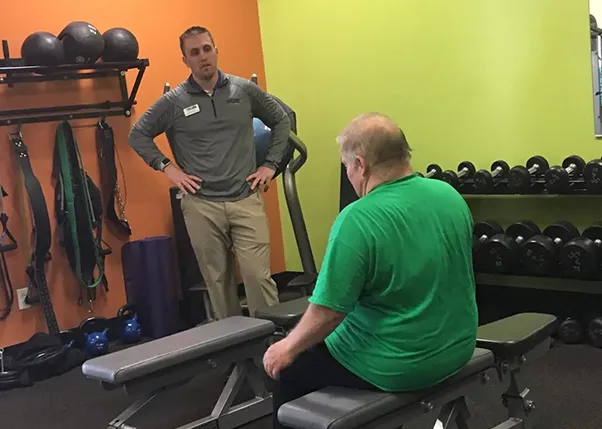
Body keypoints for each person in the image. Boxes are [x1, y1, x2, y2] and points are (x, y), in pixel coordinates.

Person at [263, 113, 479, 429]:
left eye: (347, 166)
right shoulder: (450, 196)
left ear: (361, 165)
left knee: (288, 368)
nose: (349, 175)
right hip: (457, 347)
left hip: (399, 366)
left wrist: (285, 348)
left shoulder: (357, 219)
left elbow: (329, 312)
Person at [128, 26, 292, 320]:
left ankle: (272, 354)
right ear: (185, 60)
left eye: (206, 49)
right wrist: (167, 168)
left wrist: (271, 165)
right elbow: (138, 134)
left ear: (216, 51)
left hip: (245, 197)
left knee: (258, 278)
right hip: (201, 204)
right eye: (194, 52)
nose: (203, 57)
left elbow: (281, 120)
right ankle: (239, 358)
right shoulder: (174, 102)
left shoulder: (244, 90)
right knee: (218, 285)